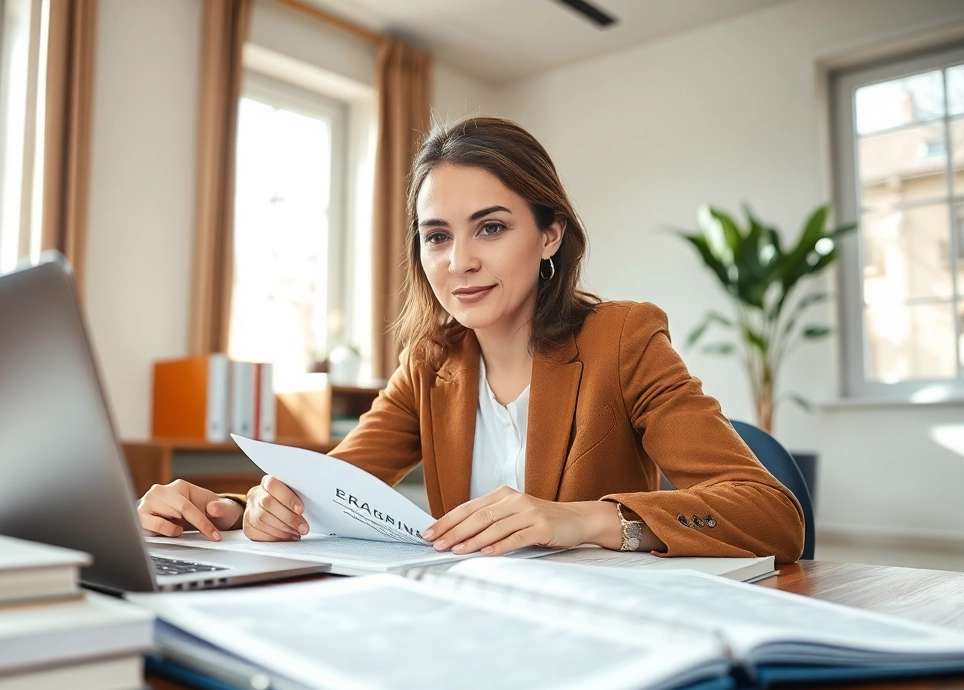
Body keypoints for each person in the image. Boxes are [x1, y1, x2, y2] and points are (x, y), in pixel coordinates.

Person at [139, 116, 804, 564]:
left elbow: (773, 514)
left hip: (604, 629)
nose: (458, 260)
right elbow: (328, 489)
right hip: (474, 627)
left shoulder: (623, 339)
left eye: (490, 227)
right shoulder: (430, 364)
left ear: (549, 236)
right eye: (437, 236)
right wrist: (231, 509)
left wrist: (585, 520)